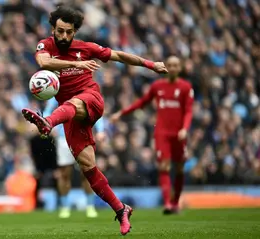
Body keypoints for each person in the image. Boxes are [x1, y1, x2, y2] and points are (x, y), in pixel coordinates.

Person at [21, 6, 167, 235]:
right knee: (88, 167)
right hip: (69, 116)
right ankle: (121, 210)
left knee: (74, 103)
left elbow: (119, 56)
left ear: (75, 32)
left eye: (70, 32)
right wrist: (76, 64)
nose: (65, 36)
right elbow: (44, 63)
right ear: (53, 29)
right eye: (60, 31)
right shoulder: (46, 45)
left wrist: (151, 65)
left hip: (90, 99)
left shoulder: (86, 48)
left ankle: (47, 122)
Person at [110, 56, 193, 215]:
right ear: (166, 67)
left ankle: (175, 202)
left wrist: (185, 128)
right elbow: (141, 103)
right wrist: (121, 113)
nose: (173, 68)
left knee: (180, 168)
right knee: (164, 166)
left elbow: (188, 111)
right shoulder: (157, 86)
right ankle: (168, 204)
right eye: (170, 65)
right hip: (162, 132)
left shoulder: (185, 87)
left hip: (180, 134)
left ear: (180, 68)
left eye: (176, 65)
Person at [44, 97, 104, 219]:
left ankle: (90, 206)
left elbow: (95, 111)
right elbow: (47, 111)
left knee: (87, 173)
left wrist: (101, 130)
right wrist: (50, 126)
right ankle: (65, 207)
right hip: (63, 139)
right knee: (65, 174)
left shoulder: (83, 90)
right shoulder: (59, 93)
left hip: (82, 135)